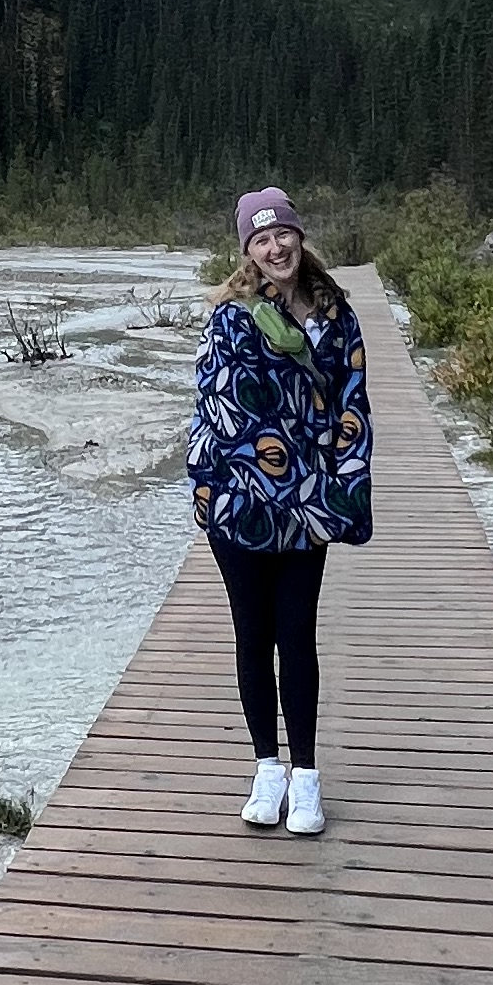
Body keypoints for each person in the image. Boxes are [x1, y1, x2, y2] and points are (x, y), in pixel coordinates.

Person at [186, 185, 372, 835]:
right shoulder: (231, 317)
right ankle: (266, 768)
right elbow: (217, 409)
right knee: (251, 637)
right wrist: (209, 490)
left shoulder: (335, 315)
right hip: (240, 506)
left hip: (307, 508)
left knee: (296, 637)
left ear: (299, 236)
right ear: (247, 250)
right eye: (260, 239)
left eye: (283, 234)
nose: (275, 247)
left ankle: (307, 778)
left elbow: (353, 411)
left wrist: (348, 494)